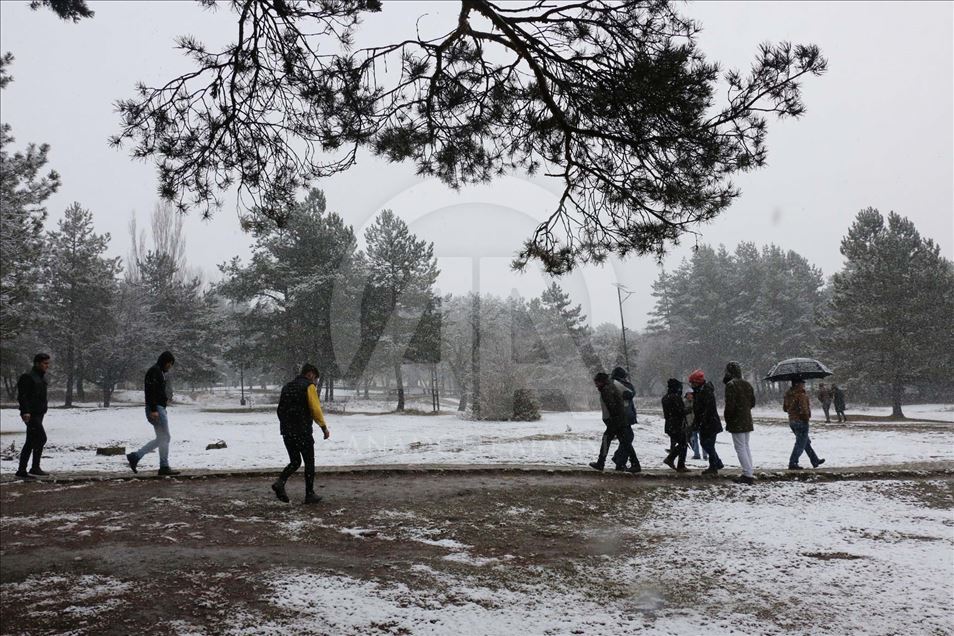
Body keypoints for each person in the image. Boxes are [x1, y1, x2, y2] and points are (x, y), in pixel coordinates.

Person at [271, 363, 331, 504]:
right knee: (309, 462)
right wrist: (323, 427)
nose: (314, 381)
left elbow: (280, 410)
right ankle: (309, 494)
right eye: (315, 378)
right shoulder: (308, 387)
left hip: (287, 432)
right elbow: (315, 409)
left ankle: (280, 482)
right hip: (302, 431)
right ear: (310, 374)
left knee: (295, 461)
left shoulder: (287, 387)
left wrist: (287, 425)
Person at [127, 351, 179, 476]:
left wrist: (165, 399)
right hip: (156, 409)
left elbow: (156, 391)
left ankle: (136, 456)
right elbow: (150, 391)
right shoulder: (154, 372)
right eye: (169, 363)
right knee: (165, 437)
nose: (170, 366)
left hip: (158, 408)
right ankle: (163, 466)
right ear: (165, 361)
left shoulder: (158, 372)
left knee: (162, 438)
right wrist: (154, 409)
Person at [589, 372, 637, 473]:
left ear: (601, 382)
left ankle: (601, 463)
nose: (595, 385)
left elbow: (612, 406)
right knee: (625, 442)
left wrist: (612, 421)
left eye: (597, 382)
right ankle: (635, 463)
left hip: (615, 420)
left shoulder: (606, 389)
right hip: (619, 419)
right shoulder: (609, 386)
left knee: (608, 440)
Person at [15, 353, 52, 479]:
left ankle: (25, 469)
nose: (47, 366)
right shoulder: (28, 377)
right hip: (31, 415)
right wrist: (25, 411)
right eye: (45, 363)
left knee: (31, 440)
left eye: (48, 363)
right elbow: (23, 396)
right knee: (41, 438)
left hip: (39, 413)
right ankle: (31, 467)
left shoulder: (41, 378)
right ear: (37, 363)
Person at [723, 361, 756, 485]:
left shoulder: (731, 385)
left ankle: (747, 475)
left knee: (740, 447)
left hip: (736, 420)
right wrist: (744, 408)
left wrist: (728, 418)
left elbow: (729, 405)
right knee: (746, 446)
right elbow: (753, 402)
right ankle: (749, 472)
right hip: (747, 418)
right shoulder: (747, 384)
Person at [783, 378, 826, 470]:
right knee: (800, 443)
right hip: (801, 421)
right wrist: (806, 419)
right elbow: (804, 410)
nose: (804, 385)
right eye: (802, 383)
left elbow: (785, 408)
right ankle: (793, 462)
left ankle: (815, 460)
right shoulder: (801, 395)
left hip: (792, 421)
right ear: (797, 384)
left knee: (805, 442)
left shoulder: (788, 394)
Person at [688, 369, 723, 476]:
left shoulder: (706, 391)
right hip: (705, 423)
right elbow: (698, 410)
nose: (691, 385)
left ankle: (714, 466)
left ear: (697, 382)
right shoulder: (699, 392)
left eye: (692, 383)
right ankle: (717, 463)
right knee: (706, 443)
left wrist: (702, 422)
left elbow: (708, 409)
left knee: (708, 444)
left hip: (710, 423)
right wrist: (696, 424)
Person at [610, 367, 641, 472]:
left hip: (618, 416)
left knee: (626, 439)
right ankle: (627, 463)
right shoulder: (621, 385)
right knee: (627, 439)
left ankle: (619, 461)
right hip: (623, 416)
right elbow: (631, 393)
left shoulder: (613, 384)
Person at [661, 379, 689, 472]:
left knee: (682, 443)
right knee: (683, 443)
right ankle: (674, 461)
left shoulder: (665, 397)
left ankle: (678, 463)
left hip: (669, 425)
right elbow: (680, 412)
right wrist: (690, 409)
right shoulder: (676, 397)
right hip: (677, 425)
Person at [685, 391, 704, 460]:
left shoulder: (697, 402)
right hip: (690, 424)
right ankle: (696, 454)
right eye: (688, 395)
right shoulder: (684, 403)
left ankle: (704, 454)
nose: (689, 396)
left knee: (702, 440)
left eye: (691, 395)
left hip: (698, 423)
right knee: (693, 440)